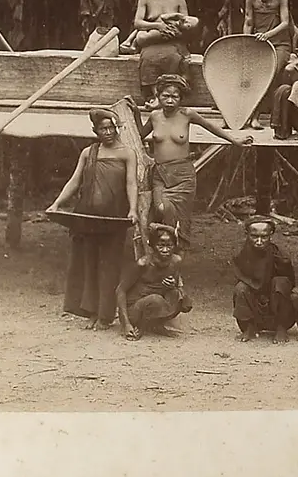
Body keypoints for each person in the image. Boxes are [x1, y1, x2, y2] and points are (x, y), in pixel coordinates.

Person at [45, 108, 141, 330]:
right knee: (89, 264)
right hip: (87, 217)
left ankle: (105, 316)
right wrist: (57, 203)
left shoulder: (127, 154)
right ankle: (90, 312)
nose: (107, 132)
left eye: (110, 128)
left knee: (109, 265)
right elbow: (75, 180)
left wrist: (133, 209)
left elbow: (131, 183)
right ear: (95, 131)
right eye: (102, 129)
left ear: (117, 129)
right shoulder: (89, 153)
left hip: (114, 218)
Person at [136, 73, 253, 247]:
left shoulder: (187, 114)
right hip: (160, 174)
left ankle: (176, 249)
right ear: (158, 96)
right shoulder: (154, 116)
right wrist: (135, 113)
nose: (170, 100)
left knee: (182, 217)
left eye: (175, 97)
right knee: (161, 208)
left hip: (183, 175)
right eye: (165, 96)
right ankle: (164, 247)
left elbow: (211, 127)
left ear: (181, 99)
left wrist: (234, 140)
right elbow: (139, 135)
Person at [122, 0, 201, 99]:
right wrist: (158, 26)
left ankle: (170, 95)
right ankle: (155, 96)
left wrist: (175, 31)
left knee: (174, 57)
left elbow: (185, 22)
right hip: (152, 40)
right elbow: (138, 23)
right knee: (148, 58)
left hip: (173, 41)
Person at [116, 223, 193, 340]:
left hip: (154, 305)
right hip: (135, 310)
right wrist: (126, 324)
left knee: (179, 297)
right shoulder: (143, 264)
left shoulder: (175, 262)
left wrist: (173, 287)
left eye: (169, 245)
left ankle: (156, 325)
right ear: (152, 246)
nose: (165, 250)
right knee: (155, 299)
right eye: (160, 246)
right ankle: (138, 327)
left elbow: (178, 289)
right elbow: (120, 290)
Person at [232, 215, 297, 343]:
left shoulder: (280, 257)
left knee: (281, 282)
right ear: (247, 234)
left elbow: (290, 285)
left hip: (276, 304)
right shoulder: (241, 257)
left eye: (264, 237)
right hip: (254, 306)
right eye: (254, 236)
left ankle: (281, 328)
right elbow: (242, 282)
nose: (259, 241)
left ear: (270, 235)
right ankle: (249, 327)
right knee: (241, 288)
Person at [243, 0, 293, 128]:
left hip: (280, 44)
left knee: (269, 73)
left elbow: (285, 23)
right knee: (250, 73)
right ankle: (245, 113)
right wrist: (246, 42)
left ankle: (255, 115)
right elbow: (248, 22)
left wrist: (267, 35)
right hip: (259, 43)